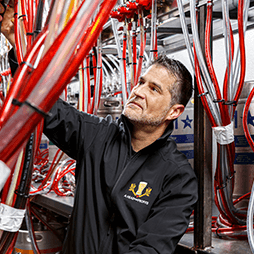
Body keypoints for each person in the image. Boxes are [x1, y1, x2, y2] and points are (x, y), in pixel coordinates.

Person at [0, 2, 198, 253]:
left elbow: (152, 248)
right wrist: (19, 46)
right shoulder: (98, 136)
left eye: (153, 89)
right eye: (140, 82)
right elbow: (46, 106)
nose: (138, 92)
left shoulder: (178, 178)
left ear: (175, 111)